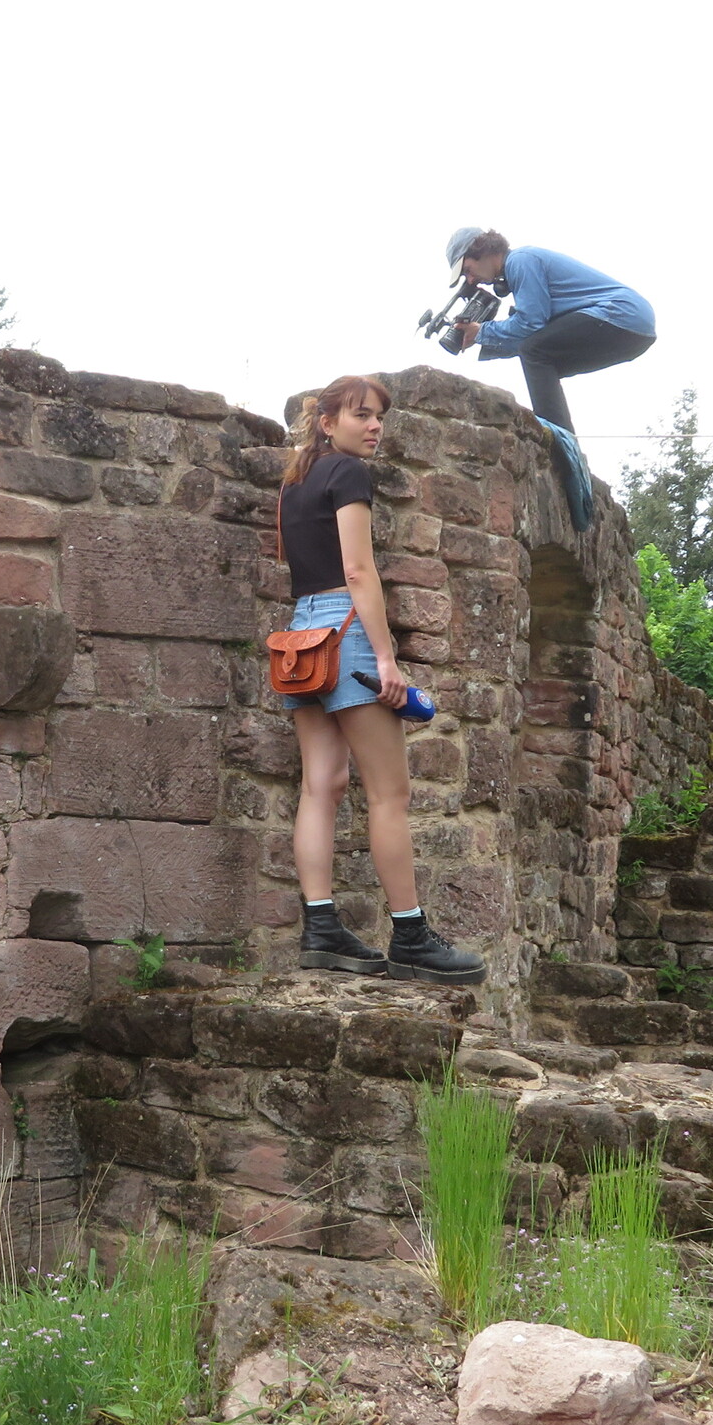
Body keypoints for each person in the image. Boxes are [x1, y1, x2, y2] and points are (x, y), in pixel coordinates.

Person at [269, 373, 487, 987]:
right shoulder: (347, 473)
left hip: (301, 635)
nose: (373, 427)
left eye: (379, 417)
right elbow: (359, 572)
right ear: (327, 421)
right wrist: (386, 660)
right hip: (347, 630)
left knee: (321, 786)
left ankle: (321, 928)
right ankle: (411, 936)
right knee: (390, 794)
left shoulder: (295, 482)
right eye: (360, 414)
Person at [443, 227, 656, 438]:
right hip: (636, 327)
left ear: (481, 250)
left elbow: (530, 323)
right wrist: (482, 336)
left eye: (467, 270)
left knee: (534, 352)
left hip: (622, 312)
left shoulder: (520, 261)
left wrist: (482, 332)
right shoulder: (520, 265)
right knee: (542, 360)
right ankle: (564, 443)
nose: (470, 280)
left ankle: (556, 440)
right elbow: (533, 332)